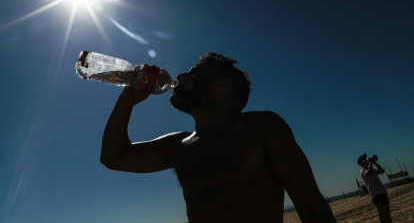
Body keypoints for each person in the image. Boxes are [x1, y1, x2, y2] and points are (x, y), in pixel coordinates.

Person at [100, 53, 336, 223]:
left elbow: (312, 208)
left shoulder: (262, 127)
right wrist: (127, 100)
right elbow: (113, 158)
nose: (180, 76)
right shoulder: (178, 145)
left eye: (193, 74)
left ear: (221, 85)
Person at [357, 154, 392, 223]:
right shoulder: (362, 171)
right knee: (381, 213)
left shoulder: (372, 169)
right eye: (363, 161)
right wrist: (370, 163)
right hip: (375, 194)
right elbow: (368, 173)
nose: (365, 162)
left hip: (382, 191)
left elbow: (382, 171)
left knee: (387, 212)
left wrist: (374, 162)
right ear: (361, 163)